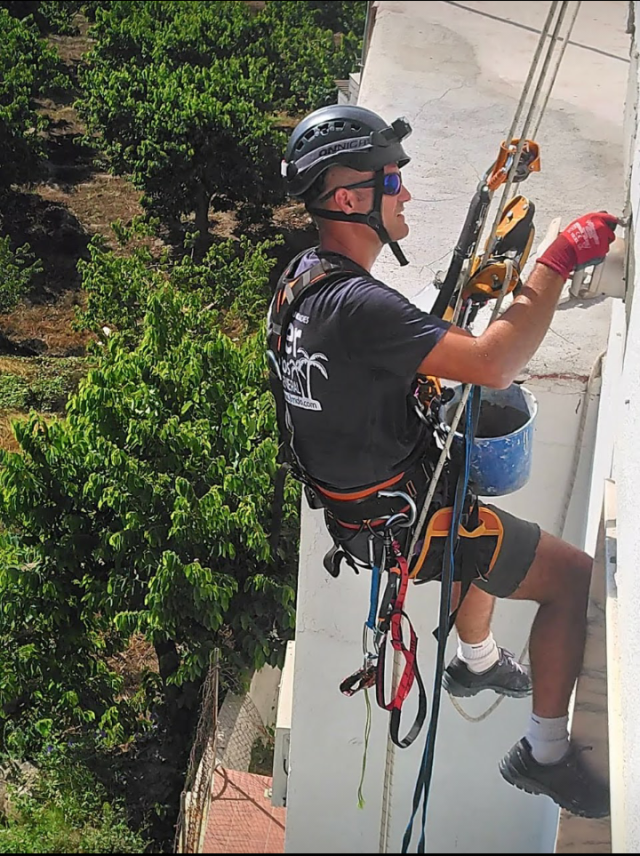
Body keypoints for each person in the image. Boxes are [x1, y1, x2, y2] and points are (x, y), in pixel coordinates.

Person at [270, 104, 616, 819]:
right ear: (349, 198)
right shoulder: (360, 306)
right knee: (576, 582)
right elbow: (496, 364)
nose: (405, 193)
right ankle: (544, 754)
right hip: (405, 519)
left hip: (365, 517)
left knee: (475, 527)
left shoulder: (300, 283)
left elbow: (358, 367)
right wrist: (555, 261)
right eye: (391, 179)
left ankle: (476, 661)